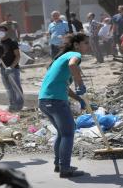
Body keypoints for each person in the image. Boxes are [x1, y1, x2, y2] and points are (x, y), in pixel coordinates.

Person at [39, 33, 89, 178]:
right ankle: (65, 169)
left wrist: (79, 99)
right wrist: (80, 84)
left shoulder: (59, 58)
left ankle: (58, 164)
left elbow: (64, 86)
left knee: (62, 133)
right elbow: (73, 64)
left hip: (44, 100)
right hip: (56, 102)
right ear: (76, 45)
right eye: (85, 43)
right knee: (68, 133)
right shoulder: (74, 55)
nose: (88, 46)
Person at [0, 24, 24, 112]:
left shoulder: (12, 42)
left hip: (13, 69)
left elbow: (18, 56)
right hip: (3, 69)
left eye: (1, 30)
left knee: (16, 87)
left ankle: (19, 106)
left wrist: (11, 67)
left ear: (6, 31)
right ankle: (12, 105)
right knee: (8, 88)